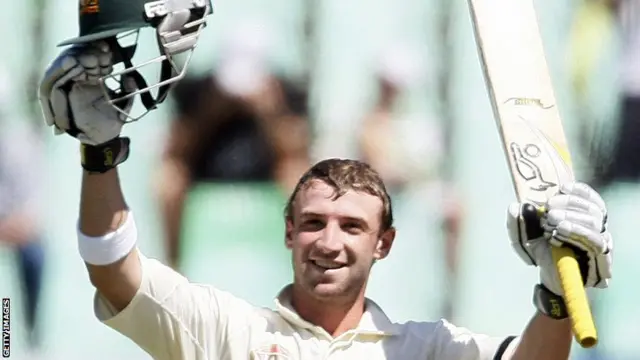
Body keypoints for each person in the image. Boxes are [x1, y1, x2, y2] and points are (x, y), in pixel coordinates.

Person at [38, 41, 614, 360]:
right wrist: (99, 157)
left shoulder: (427, 349)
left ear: (384, 243)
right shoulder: (225, 332)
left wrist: (554, 299)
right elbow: (113, 272)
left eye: (352, 226)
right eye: (313, 223)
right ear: (288, 231)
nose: (329, 243)